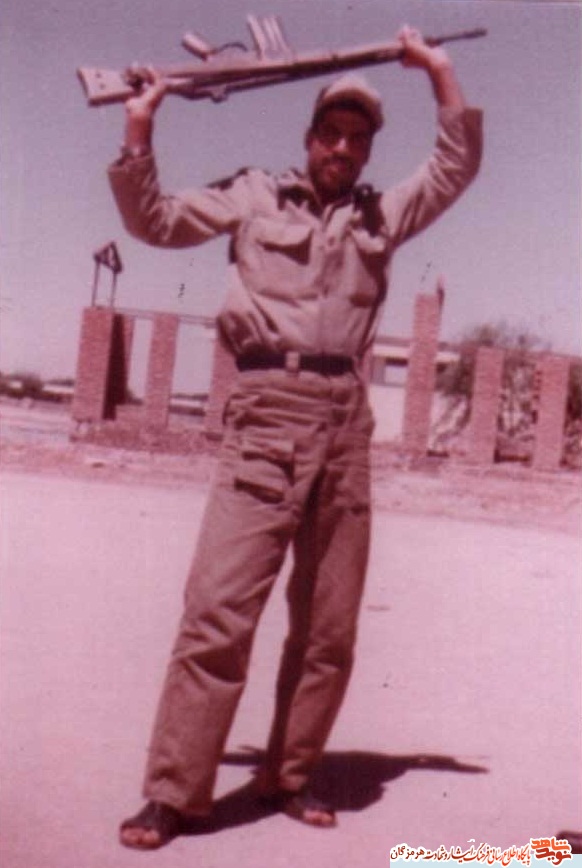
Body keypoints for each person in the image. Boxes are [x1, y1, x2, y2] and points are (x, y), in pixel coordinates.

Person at [108, 25, 482, 850]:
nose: (343, 148)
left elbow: (455, 167)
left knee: (328, 627)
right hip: (266, 412)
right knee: (218, 614)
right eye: (331, 133)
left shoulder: (383, 214)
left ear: (366, 150)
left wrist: (439, 70)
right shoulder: (254, 196)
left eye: (358, 139)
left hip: (343, 422)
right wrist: (141, 122)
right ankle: (173, 793)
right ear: (310, 137)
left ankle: (291, 775)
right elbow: (155, 221)